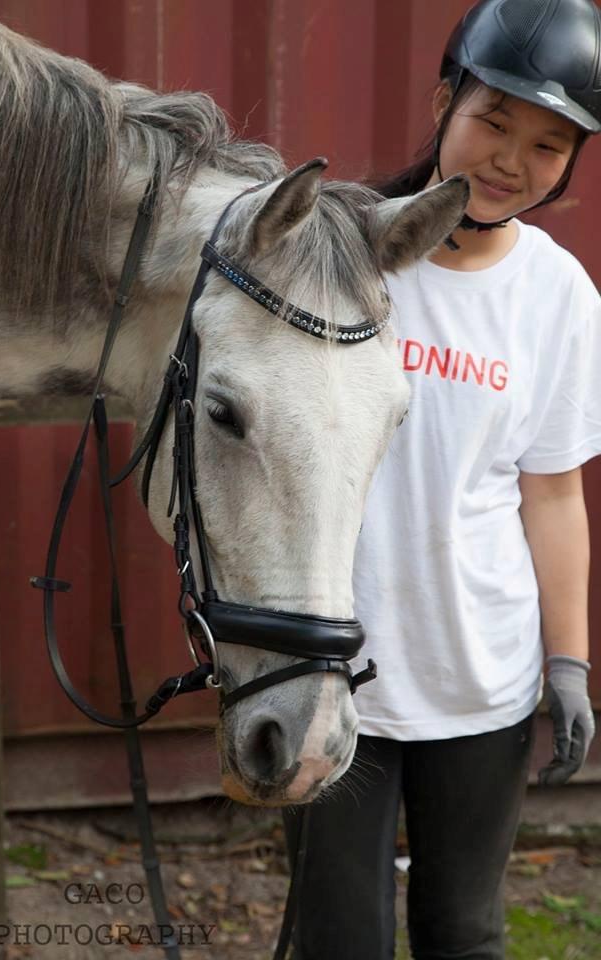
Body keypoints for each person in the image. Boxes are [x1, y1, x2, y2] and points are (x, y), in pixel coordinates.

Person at [283, 1, 601, 958]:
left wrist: (568, 664)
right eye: (493, 120)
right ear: (442, 100)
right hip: (334, 674)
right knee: (342, 940)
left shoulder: (559, 297)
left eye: (549, 145)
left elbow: (551, 495)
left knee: (464, 934)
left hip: (481, 679)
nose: (512, 160)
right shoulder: (337, 256)